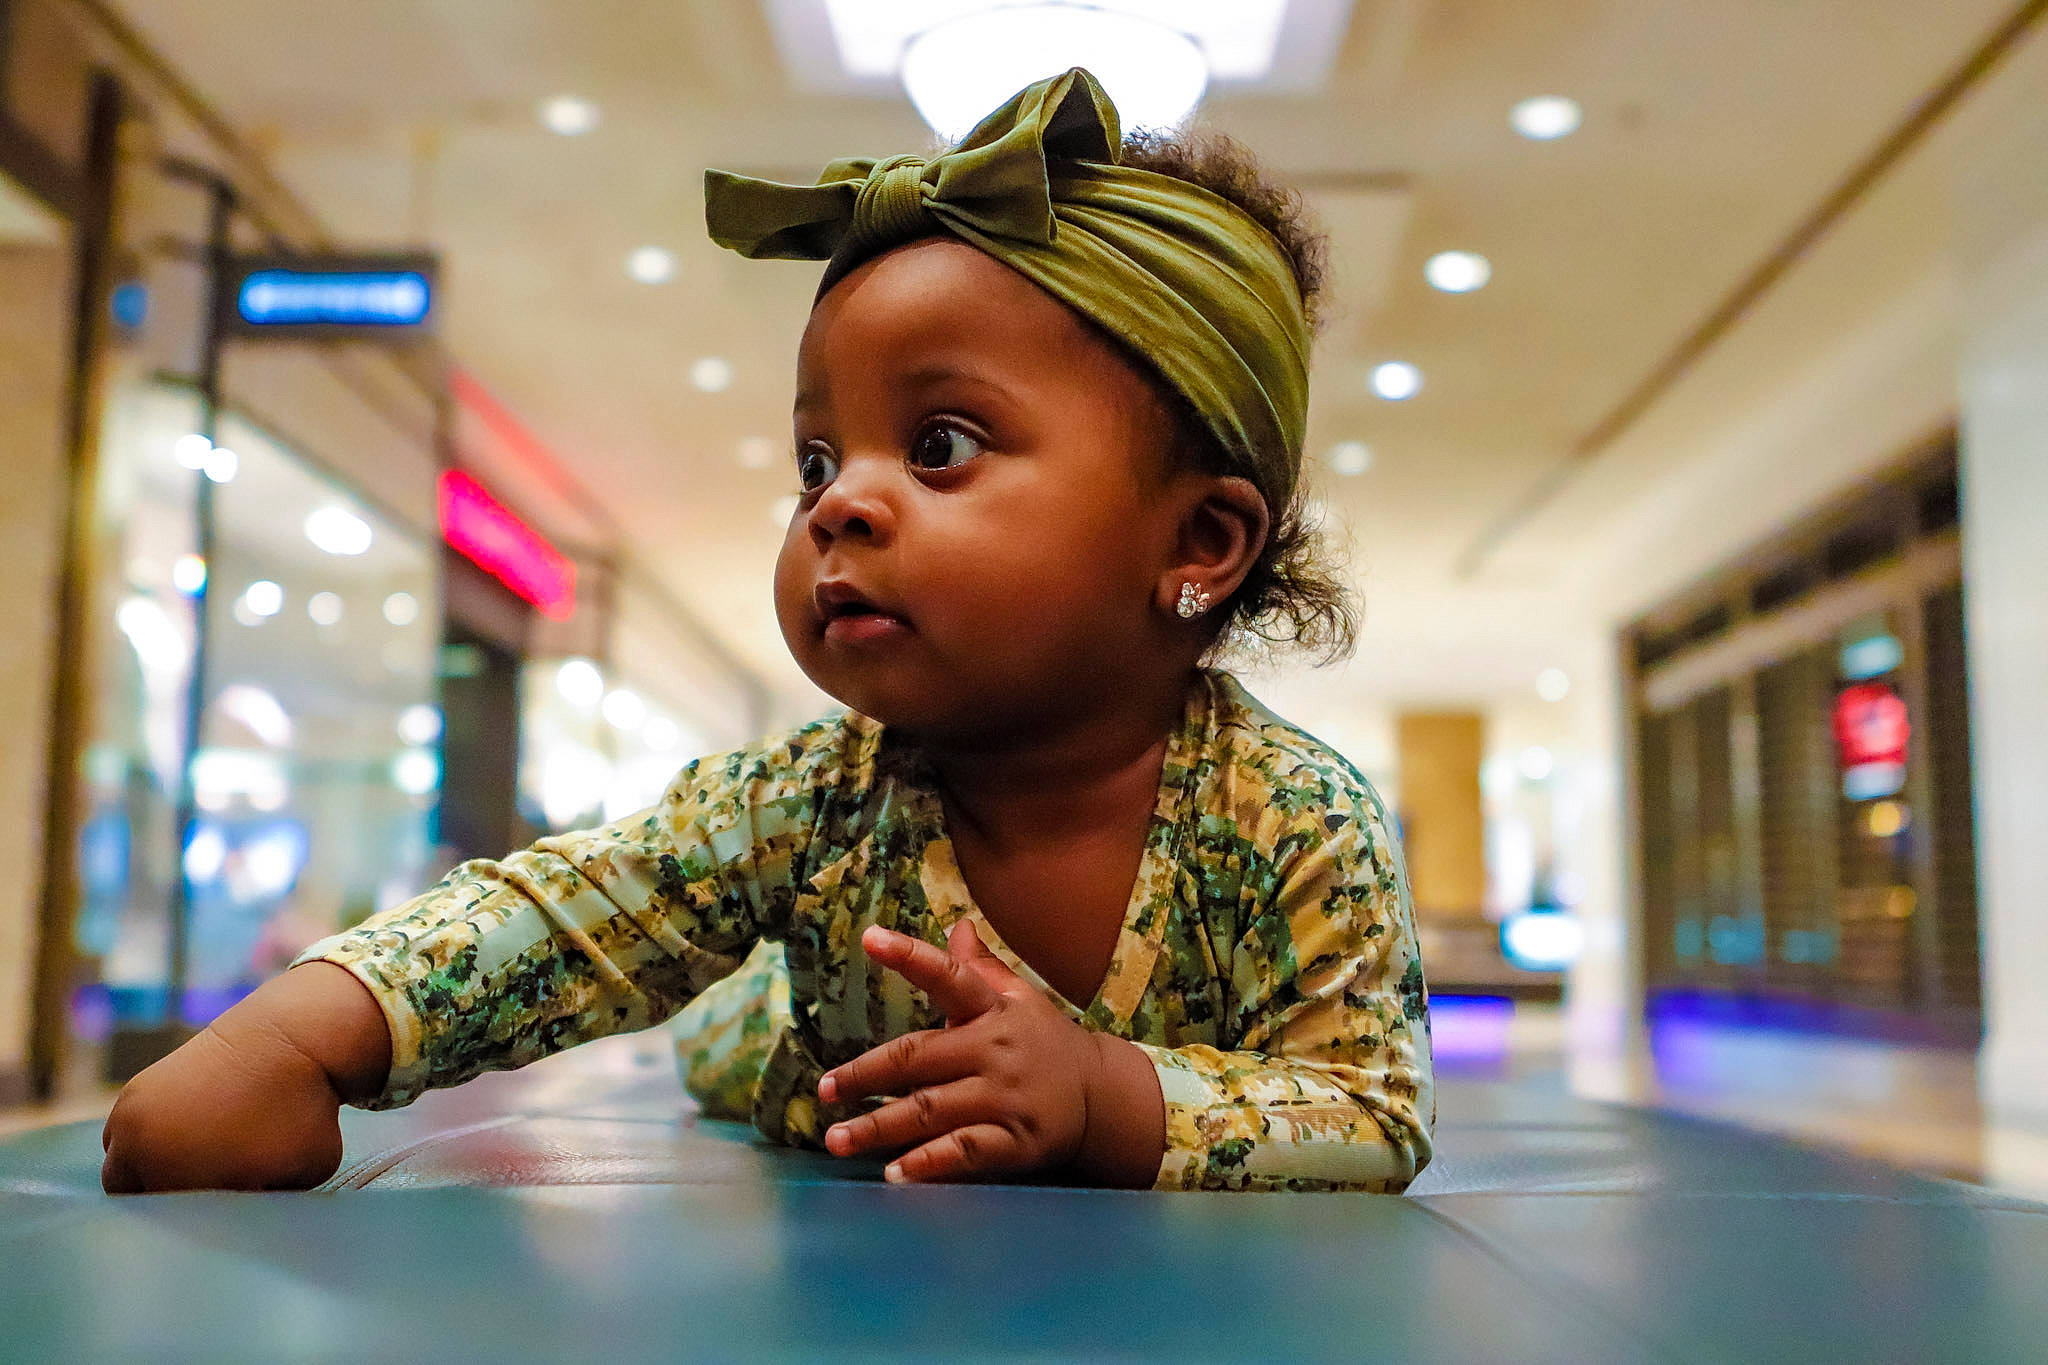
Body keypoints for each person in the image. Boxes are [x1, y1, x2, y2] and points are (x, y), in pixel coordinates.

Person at [99, 68, 1433, 1195]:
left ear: (1198, 545)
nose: (841, 499)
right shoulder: (808, 798)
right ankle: (748, 998)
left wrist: (1105, 1095)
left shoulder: (1295, 820)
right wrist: (301, 1033)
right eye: (814, 460)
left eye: (940, 443)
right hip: (801, 1058)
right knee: (732, 1032)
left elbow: (1369, 1109)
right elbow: (574, 916)